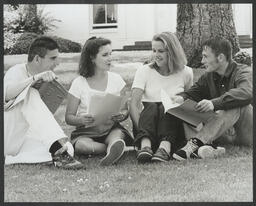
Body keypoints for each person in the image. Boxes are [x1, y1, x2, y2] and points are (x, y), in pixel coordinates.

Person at [4, 36, 84, 169]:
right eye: (53, 58)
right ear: (36, 59)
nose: (57, 62)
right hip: (8, 133)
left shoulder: (46, 79)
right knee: (30, 92)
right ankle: (56, 148)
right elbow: (6, 94)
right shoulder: (16, 71)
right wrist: (34, 80)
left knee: (68, 148)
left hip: (23, 138)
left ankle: (11, 159)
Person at [172, 37, 253, 161]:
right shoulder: (208, 76)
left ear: (220, 57)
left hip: (248, 133)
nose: (202, 61)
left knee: (234, 103)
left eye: (205, 56)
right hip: (222, 133)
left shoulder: (243, 72)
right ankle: (204, 149)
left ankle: (193, 144)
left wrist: (214, 103)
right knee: (187, 108)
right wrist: (181, 98)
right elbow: (193, 92)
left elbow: (246, 92)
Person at [65, 37, 133, 166]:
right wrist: (81, 120)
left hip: (110, 129)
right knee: (82, 146)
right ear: (92, 58)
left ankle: (114, 146)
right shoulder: (79, 83)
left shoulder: (117, 80)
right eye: (105, 55)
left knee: (117, 135)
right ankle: (110, 149)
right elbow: (69, 117)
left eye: (110, 54)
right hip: (86, 132)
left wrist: (122, 115)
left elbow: (125, 110)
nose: (110, 58)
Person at [130, 32, 193, 163]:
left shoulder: (186, 72)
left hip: (172, 128)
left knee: (166, 106)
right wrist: (142, 131)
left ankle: (165, 148)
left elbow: (189, 102)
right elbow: (134, 105)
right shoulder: (144, 71)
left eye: (161, 51)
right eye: (153, 50)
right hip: (147, 127)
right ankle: (145, 147)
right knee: (152, 106)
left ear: (172, 52)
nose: (155, 55)